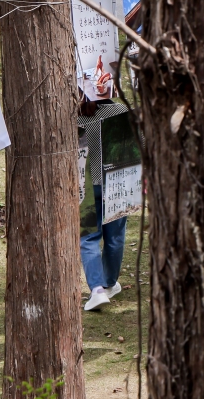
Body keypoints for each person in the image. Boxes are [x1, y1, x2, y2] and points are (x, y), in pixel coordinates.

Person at [78, 98, 129, 311]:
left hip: (87, 183)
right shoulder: (121, 110)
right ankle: (109, 283)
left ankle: (97, 289)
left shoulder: (73, 116)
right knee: (115, 237)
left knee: (88, 237)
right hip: (118, 181)